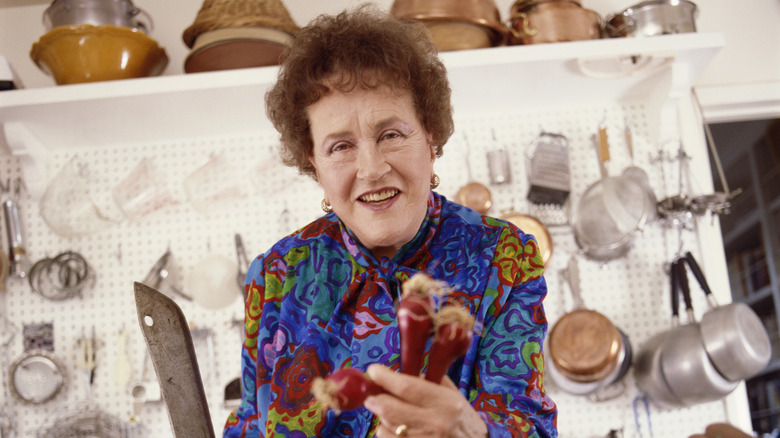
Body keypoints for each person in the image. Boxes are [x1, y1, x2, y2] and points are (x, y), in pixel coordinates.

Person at [223, 5, 557, 438]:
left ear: (430, 136)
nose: (372, 168)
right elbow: (249, 426)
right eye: (340, 146)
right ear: (314, 164)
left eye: (391, 135)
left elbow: (527, 425)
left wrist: (469, 431)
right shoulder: (274, 276)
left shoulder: (503, 256)